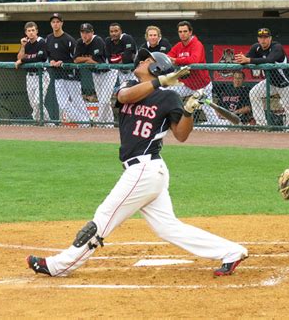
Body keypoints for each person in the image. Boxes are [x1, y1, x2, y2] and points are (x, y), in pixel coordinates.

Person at [26, 49, 248, 277]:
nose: (141, 61)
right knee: (168, 228)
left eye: (147, 60)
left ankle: (58, 266)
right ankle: (232, 251)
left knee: (103, 218)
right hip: (144, 171)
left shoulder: (168, 98)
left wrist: (189, 110)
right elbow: (123, 98)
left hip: (146, 170)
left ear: (156, 68)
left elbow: (181, 135)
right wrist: (160, 81)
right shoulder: (129, 85)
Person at [234, 28, 289, 126]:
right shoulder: (256, 47)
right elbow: (246, 59)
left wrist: (248, 60)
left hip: (287, 83)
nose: (263, 40)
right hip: (271, 83)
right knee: (254, 93)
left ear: (270, 38)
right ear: (258, 39)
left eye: (266, 37)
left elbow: (270, 60)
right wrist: (241, 59)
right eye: (261, 37)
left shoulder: (277, 47)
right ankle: (261, 124)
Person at [167, 21, 217, 125]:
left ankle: (224, 125)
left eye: (185, 31)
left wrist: (176, 60)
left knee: (212, 119)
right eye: (180, 31)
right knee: (167, 93)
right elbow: (168, 56)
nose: (182, 34)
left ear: (190, 32)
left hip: (202, 86)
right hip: (186, 85)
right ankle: (169, 120)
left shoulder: (197, 44)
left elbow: (194, 59)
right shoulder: (178, 46)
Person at [46, 13, 91, 126]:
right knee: (63, 105)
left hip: (72, 76)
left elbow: (75, 59)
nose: (55, 24)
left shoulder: (69, 39)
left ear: (62, 23)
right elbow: (48, 54)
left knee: (78, 102)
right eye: (53, 22)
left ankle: (86, 124)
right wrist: (51, 61)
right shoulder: (49, 38)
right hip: (57, 76)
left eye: (57, 22)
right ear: (51, 24)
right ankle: (85, 122)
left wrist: (63, 62)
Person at [74, 23, 114, 127]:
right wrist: (88, 59)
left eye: (87, 32)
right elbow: (76, 60)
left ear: (92, 32)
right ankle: (109, 125)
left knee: (104, 101)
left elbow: (97, 62)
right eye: (82, 32)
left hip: (109, 73)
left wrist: (87, 60)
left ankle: (99, 123)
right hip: (95, 74)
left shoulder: (97, 41)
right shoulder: (79, 42)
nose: (85, 35)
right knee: (103, 101)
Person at [15, 21, 51, 123]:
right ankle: (41, 121)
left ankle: (46, 122)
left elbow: (41, 58)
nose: (31, 33)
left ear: (37, 31)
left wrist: (22, 60)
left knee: (38, 102)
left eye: (33, 30)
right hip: (30, 77)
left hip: (41, 76)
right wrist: (22, 46)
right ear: (26, 33)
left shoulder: (41, 42)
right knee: (33, 103)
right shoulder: (27, 44)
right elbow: (19, 57)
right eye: (29, 31)